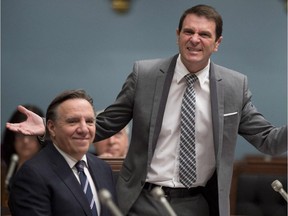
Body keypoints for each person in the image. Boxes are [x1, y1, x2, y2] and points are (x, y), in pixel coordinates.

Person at [6, 4, 287, 216]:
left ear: (217, 43)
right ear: (177, 35)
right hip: (143, 200)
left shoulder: (234, 87)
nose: (195, 39)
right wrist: (48, 126)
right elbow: (104, 124)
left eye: (204, 34)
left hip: (201, 202)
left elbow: (269, 141)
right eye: (188, 31)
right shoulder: (146, 75)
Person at [8, 89, 117, 216]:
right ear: (52, 128)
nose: (83, 129)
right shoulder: (32, 175)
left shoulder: (103, 169)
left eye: (89, 121)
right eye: (73, 121)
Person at [1, 105, 44, 189]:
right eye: (20, 134)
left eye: (31, 134)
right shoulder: (2, 164)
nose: (25, 141)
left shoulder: (50, 168)